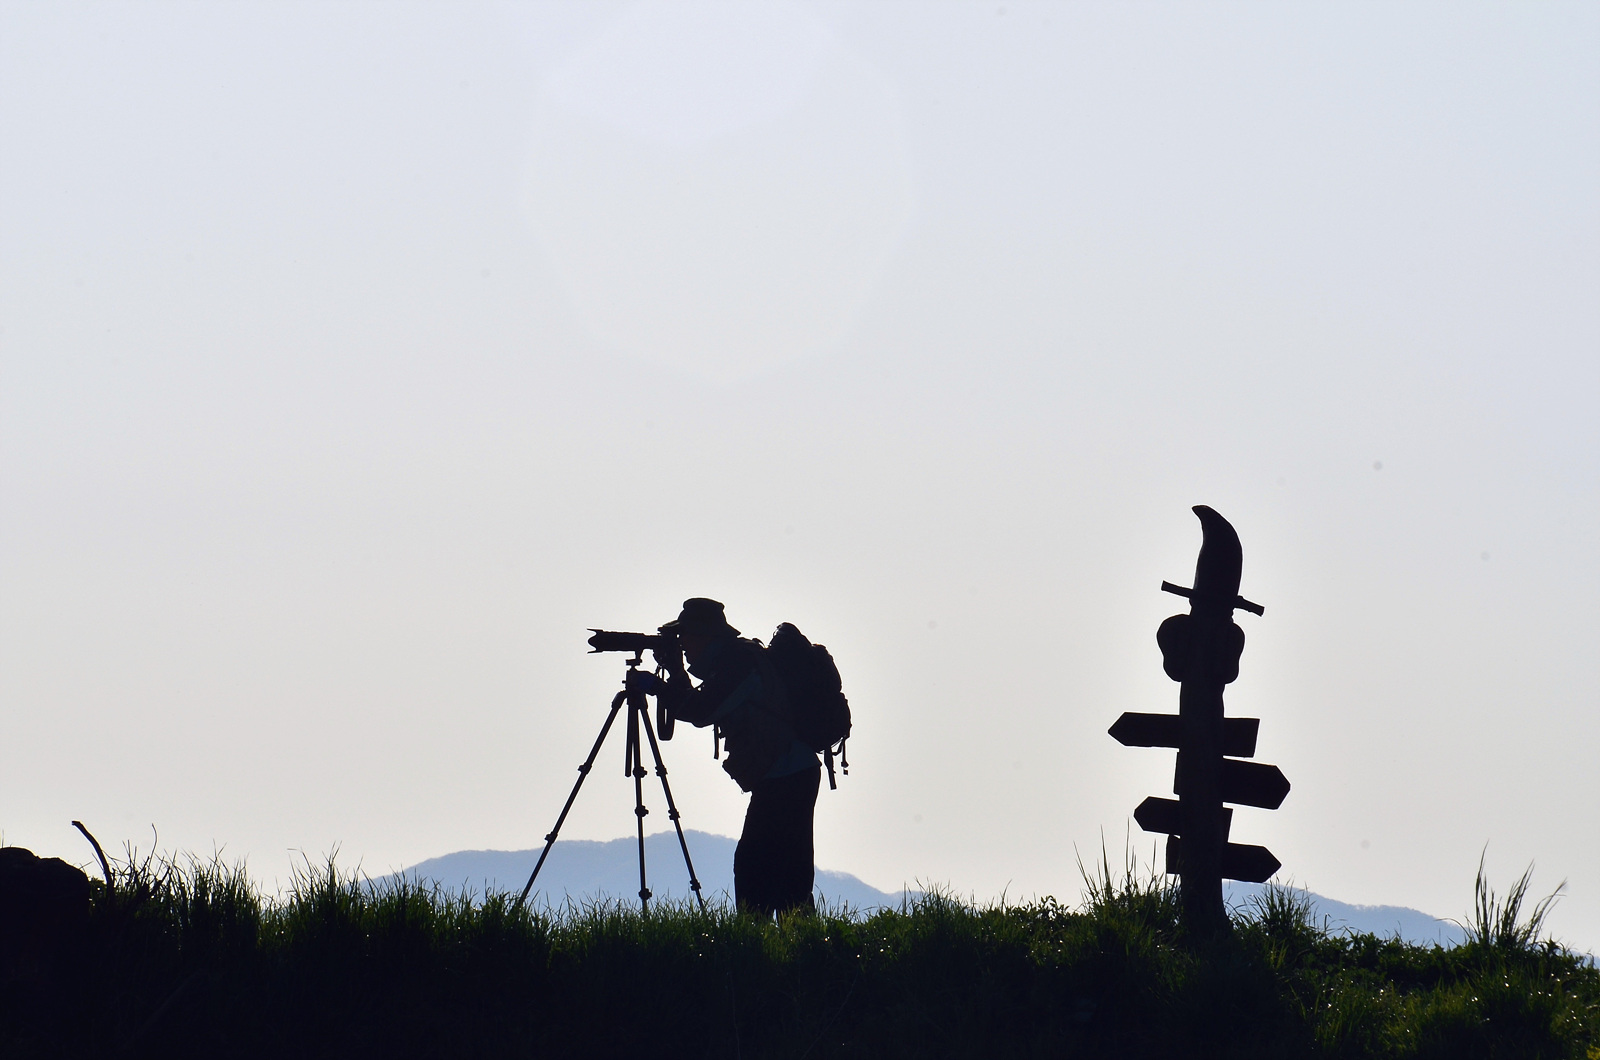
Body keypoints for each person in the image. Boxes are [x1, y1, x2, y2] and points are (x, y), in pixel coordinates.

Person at [629, 598, 820, 918]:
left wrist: (656, 685)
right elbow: (697, 703)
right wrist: (674, 673)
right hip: (787, 772)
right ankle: (793, 937)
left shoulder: (738, 664)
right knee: (782, 864)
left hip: (788, 774)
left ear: (704, 636)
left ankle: (759, 937)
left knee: (758, 865)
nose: (682, 645)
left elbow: (701, 710)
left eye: (685, 636)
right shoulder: (732, 660)